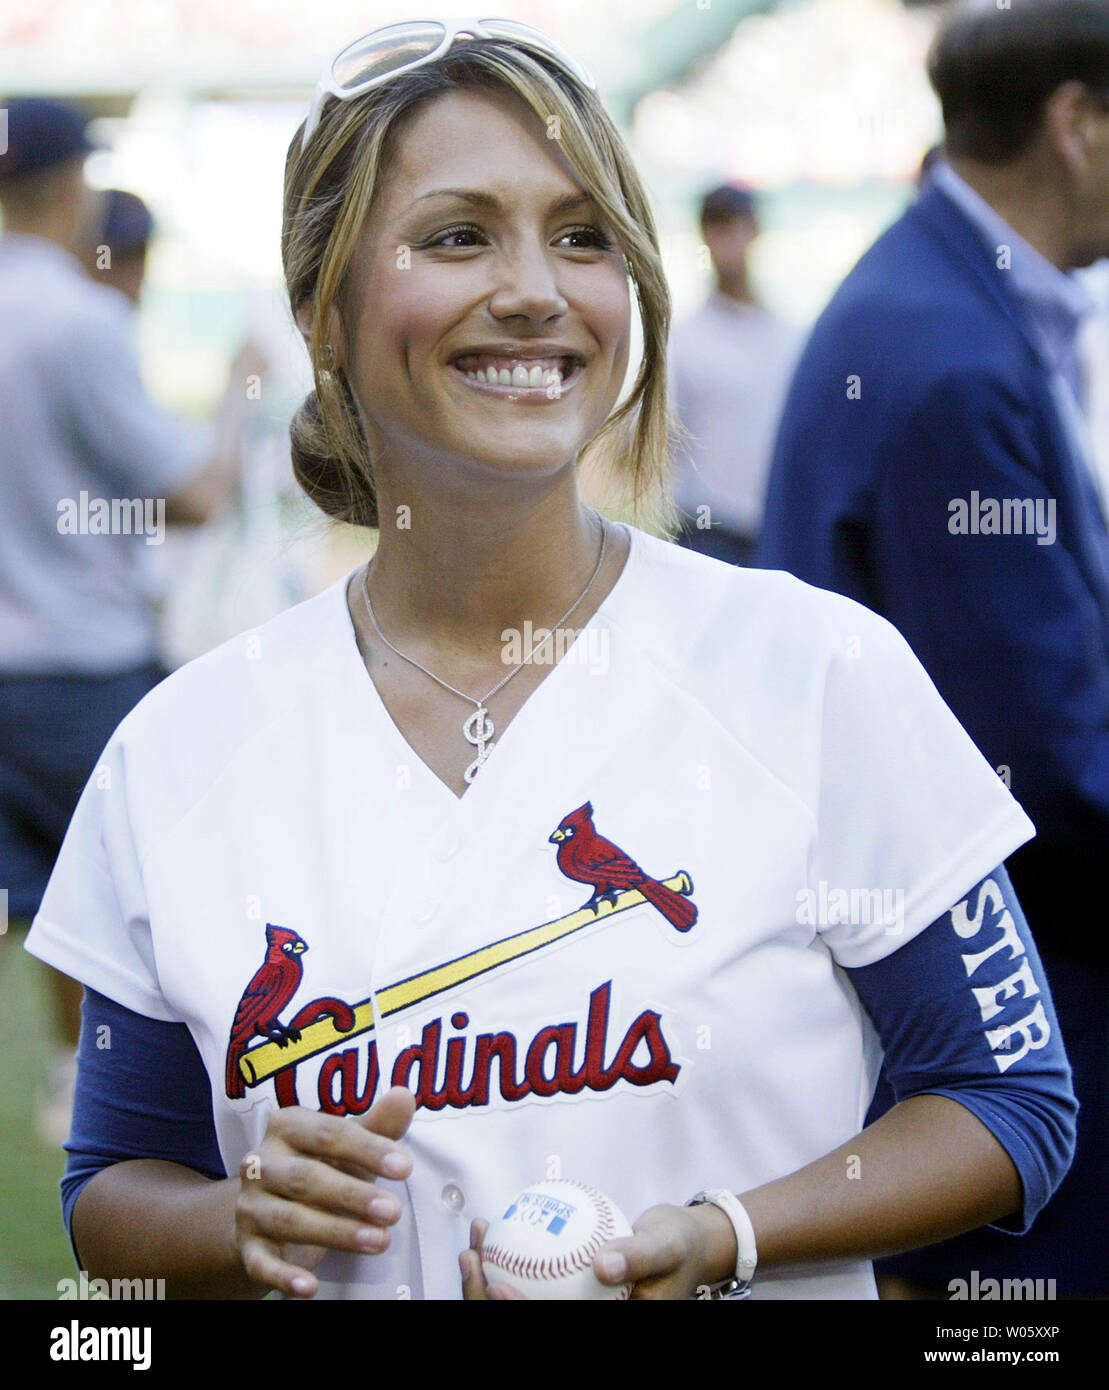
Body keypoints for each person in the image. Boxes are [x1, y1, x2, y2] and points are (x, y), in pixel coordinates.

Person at [24, 20, 1075, 1302]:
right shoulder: (180, 749)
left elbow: (1007, 1099)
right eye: (457, 234)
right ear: (322, 310)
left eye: (582, 236)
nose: (533, 288)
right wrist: (240, 1219)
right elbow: (113, 1186)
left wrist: (729, 1234)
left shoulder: (814, 669)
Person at [758, 0, 1109, 1297]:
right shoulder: (950, 351)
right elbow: (1041, 764)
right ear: (1075, 122)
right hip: (1014, 977)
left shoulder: (940, 294)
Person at [0, 97, 253, 1143]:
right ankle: (154, 1114)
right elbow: (193, 494)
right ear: (69, 188)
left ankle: (74, 1083)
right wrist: (240, 392)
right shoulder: (78, 316)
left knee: (43, 903)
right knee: (144, 902)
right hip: (85, 660)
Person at [668, 183, 799, 566]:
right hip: (710, 533)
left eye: (736, 225)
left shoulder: (788, 337)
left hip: (775, 530)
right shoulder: (684, 340)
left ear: (755, 230)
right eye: (717, 227)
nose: (728, 240)